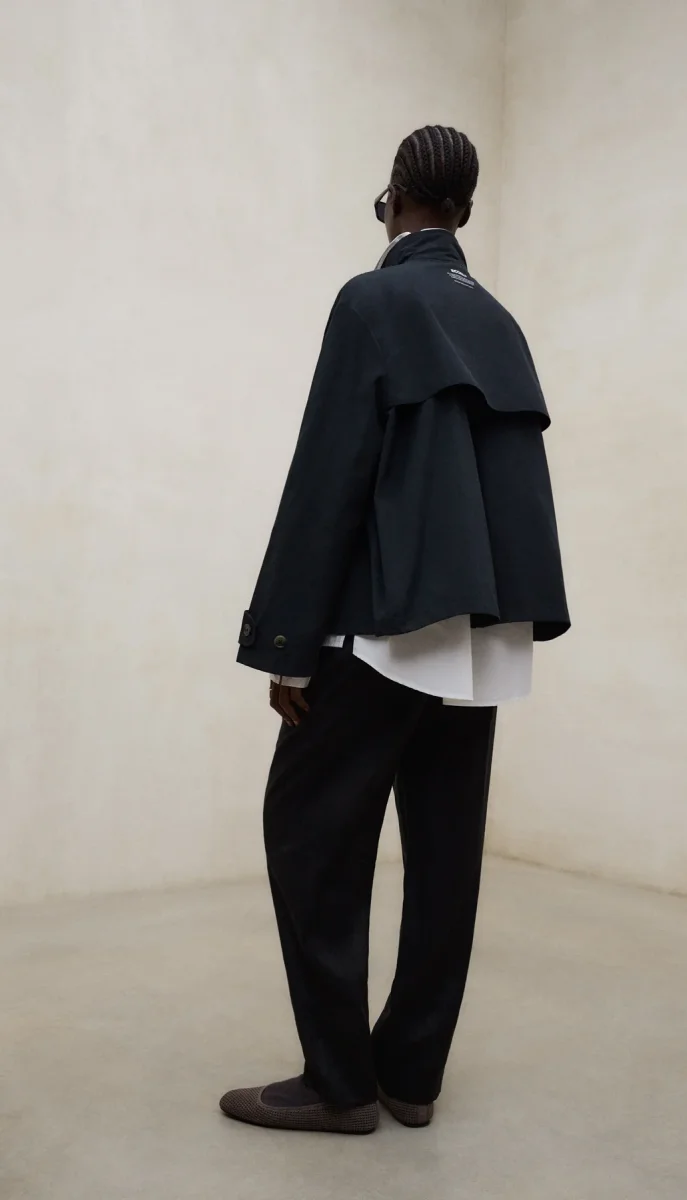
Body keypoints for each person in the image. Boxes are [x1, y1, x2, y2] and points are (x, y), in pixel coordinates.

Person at [220, 125, 570, 1135]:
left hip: (384, 629)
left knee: (308, 835)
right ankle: (411, 1074)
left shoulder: (371, 302)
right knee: (445, 858)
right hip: (484, 635)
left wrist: (287, 646)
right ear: (464, 210)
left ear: (395, 201)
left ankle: (339, 1083)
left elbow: (330, 474)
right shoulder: (498, 321)